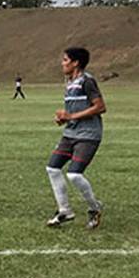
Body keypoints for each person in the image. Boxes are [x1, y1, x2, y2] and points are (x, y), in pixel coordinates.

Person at [45, 47, 106, 230]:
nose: (62, 63)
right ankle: (65, 211)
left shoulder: (87, 81)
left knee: (74, 174)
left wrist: (71, 117)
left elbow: (100, 107)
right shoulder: (69, 82)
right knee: (53, 168)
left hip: (89, 134)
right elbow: (75, 111)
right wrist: (63, 118)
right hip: (71, 133)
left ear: (75, 62)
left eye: (65, 60)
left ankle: (95, 208)